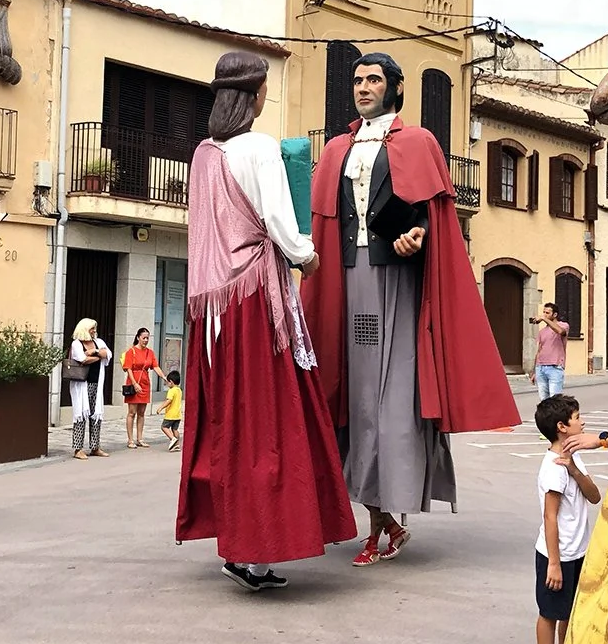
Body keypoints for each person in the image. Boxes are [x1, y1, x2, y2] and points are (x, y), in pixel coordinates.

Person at [302, 52, 518, 567]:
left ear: (395, 88)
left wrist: (416, 237)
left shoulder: (420, 142)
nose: (363, 87)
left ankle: (383, 519)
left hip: (396, 284)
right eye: (357, 80)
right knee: (352, 397)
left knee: (391, 401)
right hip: (345, 280)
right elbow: (323, 223)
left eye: (374, 79)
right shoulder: (335, 150)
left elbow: (429, 219)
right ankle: (381, 520)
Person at [176, 50, 355, 591]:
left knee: (229, 420)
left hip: (212, 311)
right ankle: (255, 549)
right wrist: (306, 255)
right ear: (254, 97)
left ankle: (238, 539)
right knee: (267, 421)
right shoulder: (258, 148)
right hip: (256, 300)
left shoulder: (203, 154)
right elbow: (278, 218)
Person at [533, 393, 600, 644]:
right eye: (576, 417)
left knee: (569, 613)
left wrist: (574, 468)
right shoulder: (552, 468)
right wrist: (554, 564)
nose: (582, 421)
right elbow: (550, 517)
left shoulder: (571, 459)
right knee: (549, 613)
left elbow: (594, 495)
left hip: (577, 551)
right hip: (556, 555)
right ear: (562, 426)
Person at [69, 318, 110, 459]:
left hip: (96, 384)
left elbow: (108, 354)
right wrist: (99, 356)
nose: (94, 331)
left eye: (94, 328)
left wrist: (94, 352)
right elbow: (82, 359)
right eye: (91, 328)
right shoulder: (76, 344)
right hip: (82, 384)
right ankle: (77, 449)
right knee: (81, 415)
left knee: (96, 415)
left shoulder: (98, 342)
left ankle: (95, 447)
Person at [121, 327, 165, 449]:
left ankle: (140, 438)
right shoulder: (131, 351)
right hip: (134, 382)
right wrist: (134, 383)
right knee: (132, 412)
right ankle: (130, 440)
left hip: (145, 383)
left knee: (141, 413)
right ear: (138, 337)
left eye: (147, 338)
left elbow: (155, 366)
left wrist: (163, 377)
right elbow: (128, 368)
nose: (146, 340)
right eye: (143, 338)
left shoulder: (150, 352)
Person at [530, 302, 570, 400]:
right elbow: (539, 350)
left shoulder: (563, 325)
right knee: (543, 400)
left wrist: (544, 319)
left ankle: (557, 416)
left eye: (547, 313)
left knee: (555, 399)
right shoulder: (542, 332)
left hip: (555, 367)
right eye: (544, 312)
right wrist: (534, 371)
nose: (544, 315)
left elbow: (560, 331)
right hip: (541, 368)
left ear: (555, 315)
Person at [156, 369, 183, 452]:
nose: (167, 384)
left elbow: (168, 401)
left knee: (164, 427)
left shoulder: (171, 391)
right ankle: (177, 445)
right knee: (175, 429)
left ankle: (172, 439)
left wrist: (160, 408)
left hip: (170, 414)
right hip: (178, 415)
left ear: (171, 382)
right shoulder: (179, 390)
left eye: (167, 382)